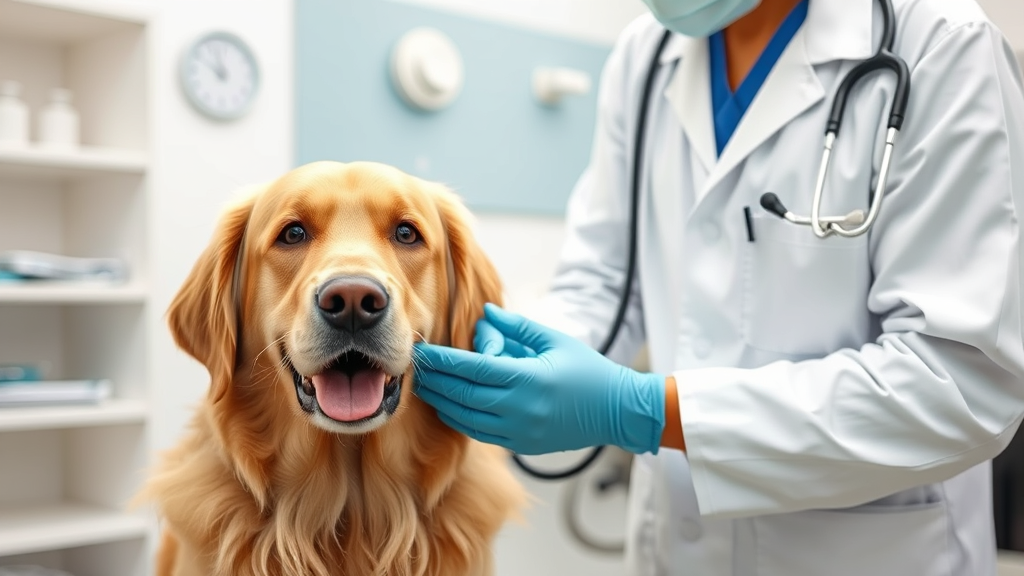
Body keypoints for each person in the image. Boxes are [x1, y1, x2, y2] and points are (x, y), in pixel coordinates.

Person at [414, 0, 1024, 573]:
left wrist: (645, 412)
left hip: (867, 550)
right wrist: (521, 360)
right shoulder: (646, 54)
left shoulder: (943, 43)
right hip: (675, 547)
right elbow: (602, 280)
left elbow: (955, 382)